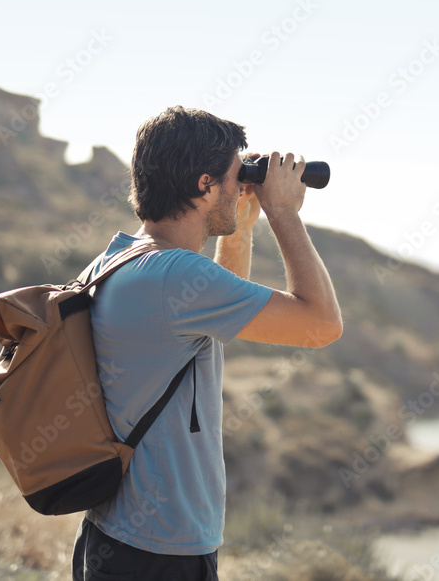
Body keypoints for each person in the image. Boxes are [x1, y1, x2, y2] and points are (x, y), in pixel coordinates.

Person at [70, 105, 342, 580]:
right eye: (237, 177)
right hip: (157, 547)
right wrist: (282, 212)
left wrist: (243, 224)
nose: (243, 186)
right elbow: (320, 324)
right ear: (204, 184)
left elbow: (210, 318)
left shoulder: (122, 260)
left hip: (119, 534)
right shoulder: (174, 275)